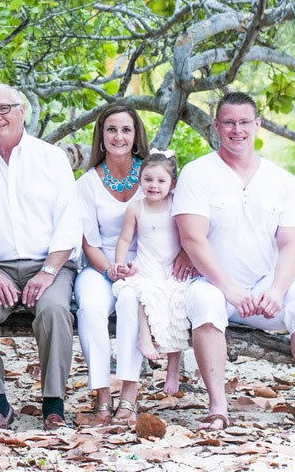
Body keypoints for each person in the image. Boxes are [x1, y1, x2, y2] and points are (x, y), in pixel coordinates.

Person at [173, 91, 295, 430]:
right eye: (228, 122)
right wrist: (232, 291)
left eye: (244, 122)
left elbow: (290, 245)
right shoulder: (197, 173)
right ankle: (218, 406)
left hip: (265, 286)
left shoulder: (282, 180)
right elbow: (192, 239)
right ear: (216, 126)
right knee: (208, 303)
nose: (236, 129)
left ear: (258, 125)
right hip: (212, 284)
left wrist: (278, 290)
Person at [0, 83, 82, 430]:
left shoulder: (52, 158)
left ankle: (53, 405)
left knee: (55, 309)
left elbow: (68, 224)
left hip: (49, 264)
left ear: (21, 111)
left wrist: (47, 272)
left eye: (4, 109)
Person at [73, 104, 148, 425]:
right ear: (101, 137)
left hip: (144, 267)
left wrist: (135, 269)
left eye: (126, 130)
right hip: (100, 267)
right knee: (89, 307)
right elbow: (88, 242)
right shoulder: (87, 183)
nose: (119, 136)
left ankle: (129, 394)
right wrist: (109, 270)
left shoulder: (151, 175)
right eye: (112, 130)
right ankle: (102, 394)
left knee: (131, 301)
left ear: (135, 136)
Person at [112, 151, 189, 403]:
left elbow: (191, 235)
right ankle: (146, 339)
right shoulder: (136, 207)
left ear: (173, 184)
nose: (154, 186)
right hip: (146, 265)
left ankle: (173, 369)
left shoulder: (177, 205)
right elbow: (125, 238)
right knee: (141, 293)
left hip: (171, 267)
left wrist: (187, 257)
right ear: (140, 179)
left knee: (176, 306)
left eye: (161, 181)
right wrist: (120, 264)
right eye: (148, 180)